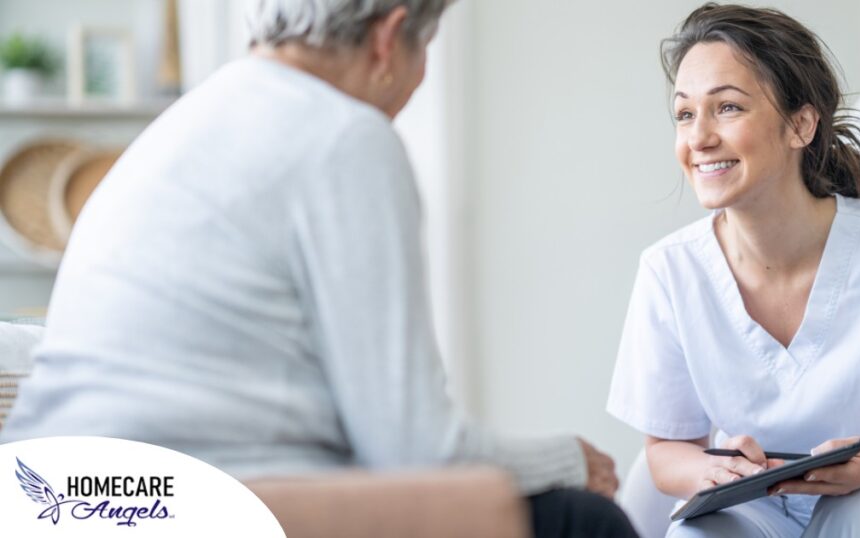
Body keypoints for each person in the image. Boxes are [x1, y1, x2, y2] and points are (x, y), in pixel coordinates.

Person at [0, 1, 637, 535]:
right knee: (583, 521)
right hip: (172, 502)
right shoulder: (344, 137)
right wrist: (568, 459)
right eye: (425, 50)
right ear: (390, 38)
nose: (416, 82)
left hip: (51, 497)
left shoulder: (187, 122)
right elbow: (417, 451)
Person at [607, 3, 860, 537]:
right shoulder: (669, 271)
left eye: (727, 108)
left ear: (800, 124)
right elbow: (665, 451)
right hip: (765, 510)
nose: (699, 138)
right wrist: (712, 470)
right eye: (685, 114)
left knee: (858, 515)